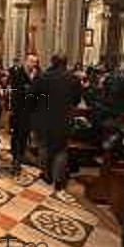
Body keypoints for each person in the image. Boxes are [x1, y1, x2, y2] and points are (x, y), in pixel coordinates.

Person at [30, 54, 81, 191]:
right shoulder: (73, 79)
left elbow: (32, 96)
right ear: (66, 63)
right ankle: (59, 180)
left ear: (52, 62)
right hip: (64, 119)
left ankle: (46, 175)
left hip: (44, 118)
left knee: (44, 146)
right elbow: (76, 100)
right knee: (62, 149)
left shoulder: (42, 77)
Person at [9, 53, 40, 174]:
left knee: (24, 135)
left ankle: (21, 155)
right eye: (31, 61)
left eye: (35, 62)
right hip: (19, 110)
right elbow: (16, 94)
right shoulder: (18, 74)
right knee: (17, 135)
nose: (34, 64)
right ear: (26, 61)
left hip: (30, 111)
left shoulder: (36, 75)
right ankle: (15, 158)